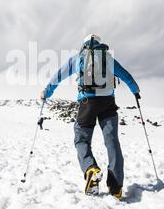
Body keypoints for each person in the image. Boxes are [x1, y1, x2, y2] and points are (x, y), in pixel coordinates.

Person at [40, 34, 140, 199]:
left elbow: (59, 75)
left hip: (88, 103)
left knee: (81, 139)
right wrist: (135, 91)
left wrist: (46, 92)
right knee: (112, 142)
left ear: (84, 44)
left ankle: (90, 169)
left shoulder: (78, 58)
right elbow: (126, 76)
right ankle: (116, 187)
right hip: (108, 103)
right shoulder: (108, 58)